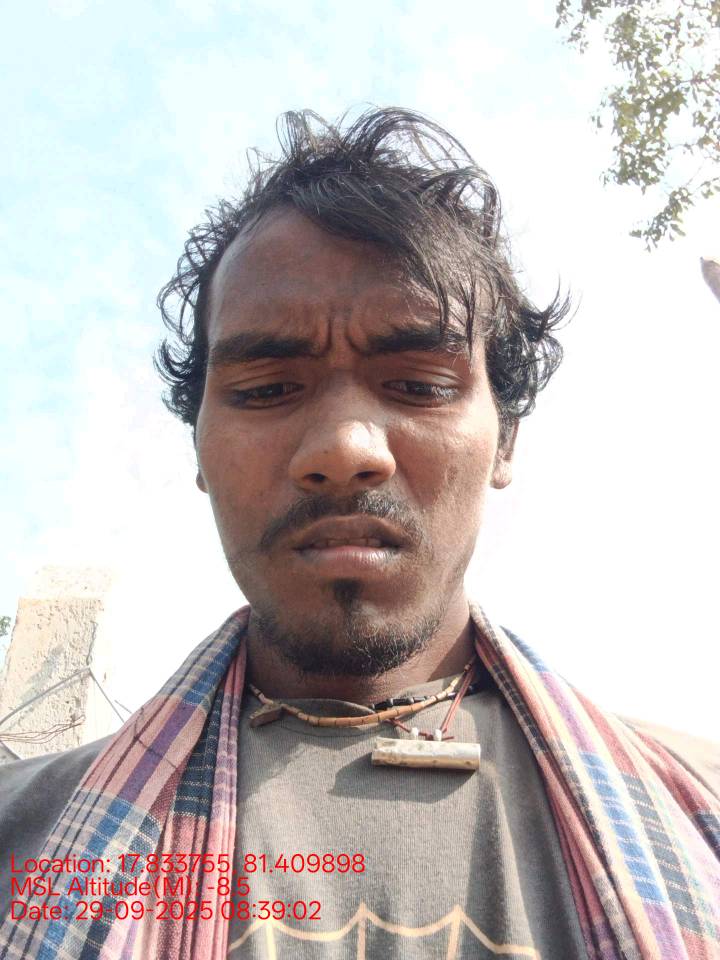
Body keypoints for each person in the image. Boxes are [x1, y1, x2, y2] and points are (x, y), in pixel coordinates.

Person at [0, 108, 718, 960]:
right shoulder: (19, 841)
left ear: (505, 442)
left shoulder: (700, 821)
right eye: (266, 390)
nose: (345, 449)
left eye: (419, 384)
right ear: (198, 449)